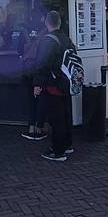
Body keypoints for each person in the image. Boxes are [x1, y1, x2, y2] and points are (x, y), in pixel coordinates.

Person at [33, 11, 74, 161]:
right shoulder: (66, 39)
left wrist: (37, 84)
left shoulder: (47, 41)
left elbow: (43, 64)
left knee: (57, 119)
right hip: (67, 83)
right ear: (60, 23)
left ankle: (58, 151)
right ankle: (68, 144)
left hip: (53, 84)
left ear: (46, 22)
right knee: (66, 115)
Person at [19, 9, 47, 140]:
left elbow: (19, 50)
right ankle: (39, 128)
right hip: (41, 70)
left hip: (27, 71)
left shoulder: (24, 30)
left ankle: (30, 128)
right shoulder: (45, 30)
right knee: (41, 100)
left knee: (31, 100)